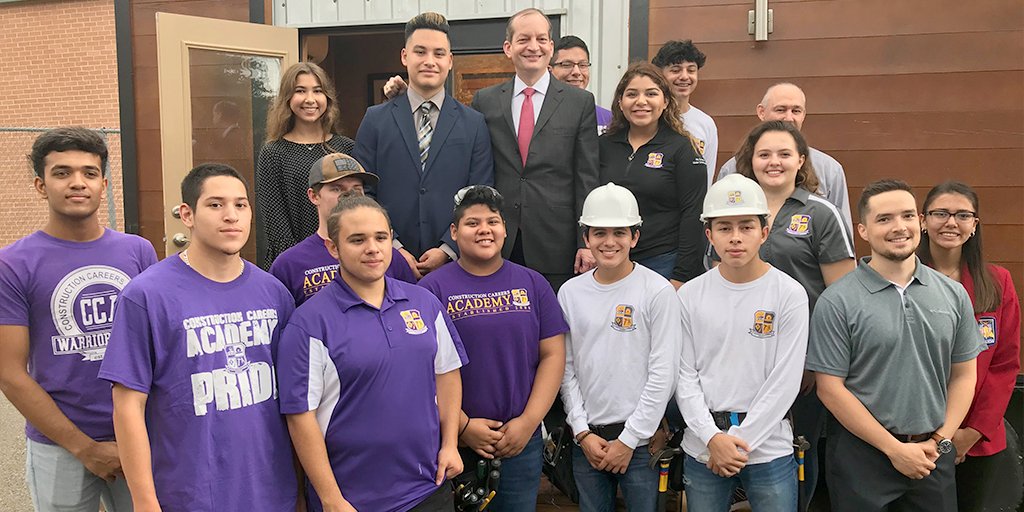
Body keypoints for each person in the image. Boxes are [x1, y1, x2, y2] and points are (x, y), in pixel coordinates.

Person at [99, 164, 299, 511]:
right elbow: (128, 405)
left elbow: (295, 403)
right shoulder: (147, 295)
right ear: (187, 214)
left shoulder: (274, 293)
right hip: (188, 493)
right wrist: (145, 501)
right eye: (216, 205)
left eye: (240, 205)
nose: (231, 216)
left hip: (269, 490)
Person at [0, 127, 157, 512]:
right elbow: (9, 372)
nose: (77, 183)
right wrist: (84, 448)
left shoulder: (138, 252)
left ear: (103, 184)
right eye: (61, 173)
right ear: (40, 185)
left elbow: (159, 349)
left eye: (89, 173)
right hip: (60, 445)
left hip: (139, 436)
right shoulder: (14, 263)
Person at [277, 195, 467, 512]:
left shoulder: (425, 304)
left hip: (427, 488)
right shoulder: (309, 323)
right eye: (357, 240)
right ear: (333, 248)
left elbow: (447, 374)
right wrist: (330, 498)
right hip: (352, 500)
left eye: (381, 237)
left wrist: (450, 445)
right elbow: (300, 416)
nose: (373, 248)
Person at [808, 179, 985, 512]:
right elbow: (830, 389)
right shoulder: (837, 301)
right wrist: (893, 449)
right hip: (861, 458)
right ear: (862, 230)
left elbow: (964, 376)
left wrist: (939, 439)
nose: (898, 227)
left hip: (932, 455)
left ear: (920, 221)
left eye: (906, 216)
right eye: (884, 219)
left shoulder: (952, 294)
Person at [729, 119, 855, 510]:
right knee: (746, 442)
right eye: (764, 154)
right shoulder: (731, 208)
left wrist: (816, 364)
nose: (774, 162)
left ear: (801, 160)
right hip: (742, 356)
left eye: (784, 154)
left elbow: (842, 299)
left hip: (802, 361)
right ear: (750, 161)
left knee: (799, 447)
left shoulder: (820, 213)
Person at [418, 185, 568, 510]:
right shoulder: (430, 290)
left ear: (504, 229)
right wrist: (462, 426)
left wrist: (528, 422)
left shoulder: (533, 284)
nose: (484, 230)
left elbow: (553, 355)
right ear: (454, 232)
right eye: (473, 223)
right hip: (453, 441)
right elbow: (418, 368)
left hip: (519, 442)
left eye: (493, 221)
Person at [676, 173, 808, 511]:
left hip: (769, 447)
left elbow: (786, 379)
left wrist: (740, 441)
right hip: (703, 445)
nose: (735, 238)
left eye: (746, 227)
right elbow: (683, 375)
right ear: (709, 235)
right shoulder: (689, 295)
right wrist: (712, 438)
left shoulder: (789, 294)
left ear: (764, 232)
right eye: (724, 228)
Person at [558, 183, 681, 511]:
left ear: (635, 237)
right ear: (586, 238)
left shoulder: (657, 292)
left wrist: (629, 440)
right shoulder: (570, 293)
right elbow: (566, 368)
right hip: (589, 442)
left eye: (619, 232)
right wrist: (581, 432)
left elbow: (663, 374)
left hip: (640, 444)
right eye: (599, 233)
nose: (609, 242)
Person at [355, 12, 494, 279]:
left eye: (439, 54)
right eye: (421, 52)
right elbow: (362, 192)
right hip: (386, 262)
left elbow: (479, 193)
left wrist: (448, 248)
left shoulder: (473, 123)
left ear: (450, 61)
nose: (430, 61)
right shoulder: (375, 120)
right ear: (405, 56)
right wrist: (393, 245)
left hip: (455, 264)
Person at [471, 7, 601, 292]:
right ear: (508, 47)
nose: (533, 46)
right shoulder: (486, 101)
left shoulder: (579, 103)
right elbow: (477, 170)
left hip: (557, 242)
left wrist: (586, 241)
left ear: (551, 47)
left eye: (541, 39)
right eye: (524, 39)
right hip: (499, 239)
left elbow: (587, 177)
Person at [917, 181, 1021, 511]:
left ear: (974, 225)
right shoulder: (903, 281)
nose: (951, 222)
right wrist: (937, 436)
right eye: (940, 213)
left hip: (977, 439)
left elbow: (1004, 364)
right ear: (922, 221)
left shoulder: (997, 282)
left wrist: (972, 431)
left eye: (963, 214)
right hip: (918, 438)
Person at [599, 61, 707, 286]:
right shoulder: (602, 146)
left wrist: (681, 275)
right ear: (620, 102)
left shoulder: (683, 149)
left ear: (666, 101)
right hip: (611, 260)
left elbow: (693, 214)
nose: (641, 101)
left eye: (651, 93)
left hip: (663, 262)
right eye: (631, 94)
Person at [270, 152, 416, 306]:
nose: (349, 196)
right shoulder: (289, 264)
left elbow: (411, 307)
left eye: (356, 189)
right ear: (314, 196)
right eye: (337, 189)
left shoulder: (388, 255)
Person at [256, 62, 354, 269]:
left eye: (317, 91)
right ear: (287, 98)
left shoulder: (346, 148)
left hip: (343, 258)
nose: (310, 99)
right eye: (300, 91)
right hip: (294, 262)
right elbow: (275, 220)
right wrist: (302, 263)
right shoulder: (273, 152)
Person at [718, 83, 852, 229]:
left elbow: (841, 232)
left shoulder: (830, 170)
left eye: (796, 111)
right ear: (761, 112)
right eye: (780, 109)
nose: (789, 118)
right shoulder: (732, 168)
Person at [651, 39, 719, 189]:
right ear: (660, 74)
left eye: (691, 70)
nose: (684, 76)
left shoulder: (705, 123)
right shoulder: (650, 118)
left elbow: (706, 179)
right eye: (675, 70)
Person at [550, 35, 612, 133]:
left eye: (583, 65)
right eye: (567, 65)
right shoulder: (539, 117)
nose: (576, 72)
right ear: (549, 70)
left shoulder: (607, 120)